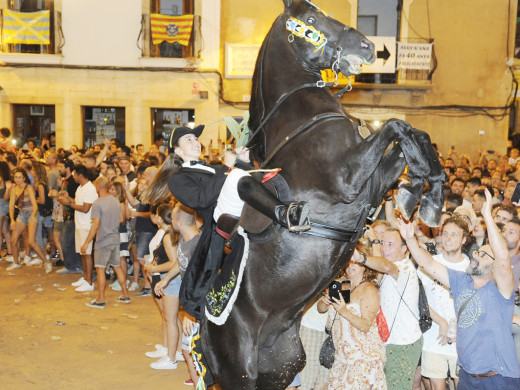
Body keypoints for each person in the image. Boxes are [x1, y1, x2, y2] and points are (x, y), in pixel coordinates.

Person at [143, 125, 310, 319]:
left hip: (237, 204)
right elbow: (202, 200)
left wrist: (246, 162)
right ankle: (285, 214)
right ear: (178, 151)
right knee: (235, 176)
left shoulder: (211, 168)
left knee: (241, 175)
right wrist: (227, 167)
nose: (195, 142)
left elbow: (250, 181)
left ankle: (283, 210)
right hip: (217, 217)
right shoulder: (178, 179)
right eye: (189, 139)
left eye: (196, 139)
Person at [396, 189, 520, 389]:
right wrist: (410, 239)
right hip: (467, 377)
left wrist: (487, 215)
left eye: (483, 255)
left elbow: (503, 255)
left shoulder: (500, 290)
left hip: (498, 378)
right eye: (477, 252)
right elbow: (428, 264)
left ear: (494, 266)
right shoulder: (461, 281)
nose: (475, 255)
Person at [351, 227, 422, 390]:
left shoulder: (405, 268)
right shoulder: (386, 268)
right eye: (383, 243)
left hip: (403, 344)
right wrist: (375, 242)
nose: (384, 248)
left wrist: (360, 257)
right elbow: (381, 266)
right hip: (387, 342)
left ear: (404, 249)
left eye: (390, 244)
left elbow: (387, 266)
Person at [318, 253, 386, 390]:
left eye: (355, 261)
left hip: (363, 360)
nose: (350, 265)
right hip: (341, 359)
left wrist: (344, 311)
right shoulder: (340, 284)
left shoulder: (369, 289)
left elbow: (366, 325)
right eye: (347, 261)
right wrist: (324, 302)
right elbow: (320, 309)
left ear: (364, 266)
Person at [417, 217, 470, 390]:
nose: (448, 238)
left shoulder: (470, 266)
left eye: (454, 235)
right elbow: (419, 298)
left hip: (462, 341)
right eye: (445, 233)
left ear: (463, 239)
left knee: (461, 385)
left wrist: (460, 328)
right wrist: (441, 321)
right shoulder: (430, 263)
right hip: (434, 337)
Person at [144, 204, 183, 370]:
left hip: (172, 281)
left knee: (170, 320)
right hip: (173, 280)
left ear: (160, 218)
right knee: (172, 319)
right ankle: (177, 350)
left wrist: (154, 269)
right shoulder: (171, 234)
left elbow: (174, 263)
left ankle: (171, 358)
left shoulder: (168, 237)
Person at [80, 177, 130, 308]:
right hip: (115, 239)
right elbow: (121, 219)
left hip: (103, 241)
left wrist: (86, 242)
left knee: (100, 269)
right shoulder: (115, 201)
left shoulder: (97, 203)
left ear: (97, 187)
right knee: (117, 267)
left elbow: (95, 225)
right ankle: (125, 294)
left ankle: (101, 299)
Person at [57, 164, 98, 291]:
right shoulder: (81, 188)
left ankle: (89, 281)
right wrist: (68, 198)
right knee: (82, 253)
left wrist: (68, 203)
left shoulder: (90, 188)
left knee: (87, 254)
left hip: (87, 225)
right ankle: (85, 278)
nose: (73, 177)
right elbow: (78, 203)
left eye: (75, 174)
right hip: (80, 224)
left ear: (80, 175)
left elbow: (86, 208)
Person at [7, 168, 52, 273]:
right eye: (15, 177)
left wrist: (32, 215)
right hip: (22, 215)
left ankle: (46, 262)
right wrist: (12, 220)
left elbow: (35, 205)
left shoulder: (29, 188)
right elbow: (11, 207)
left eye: (19, 177)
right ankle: (16, 262)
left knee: (32, 242)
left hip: (32, 213)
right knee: (13, 240)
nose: (17, 180)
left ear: (24, 178)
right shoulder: (14, 189)